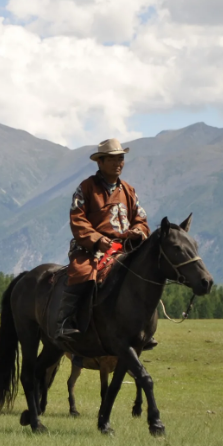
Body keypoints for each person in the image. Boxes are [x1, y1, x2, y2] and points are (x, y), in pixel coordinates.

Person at [55, 138, 150, 345]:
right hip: (91, 249)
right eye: (113, 159)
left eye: (121, 159)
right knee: (82, 272)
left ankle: (143, 328)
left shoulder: (129, 190)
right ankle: (65, 322)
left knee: (145, 274)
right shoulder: (86, 188)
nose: (119, 163)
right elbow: (78, 220)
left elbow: (141, 219)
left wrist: (137, 230)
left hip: (124, 248)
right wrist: (98, 240)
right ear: (100, 162)